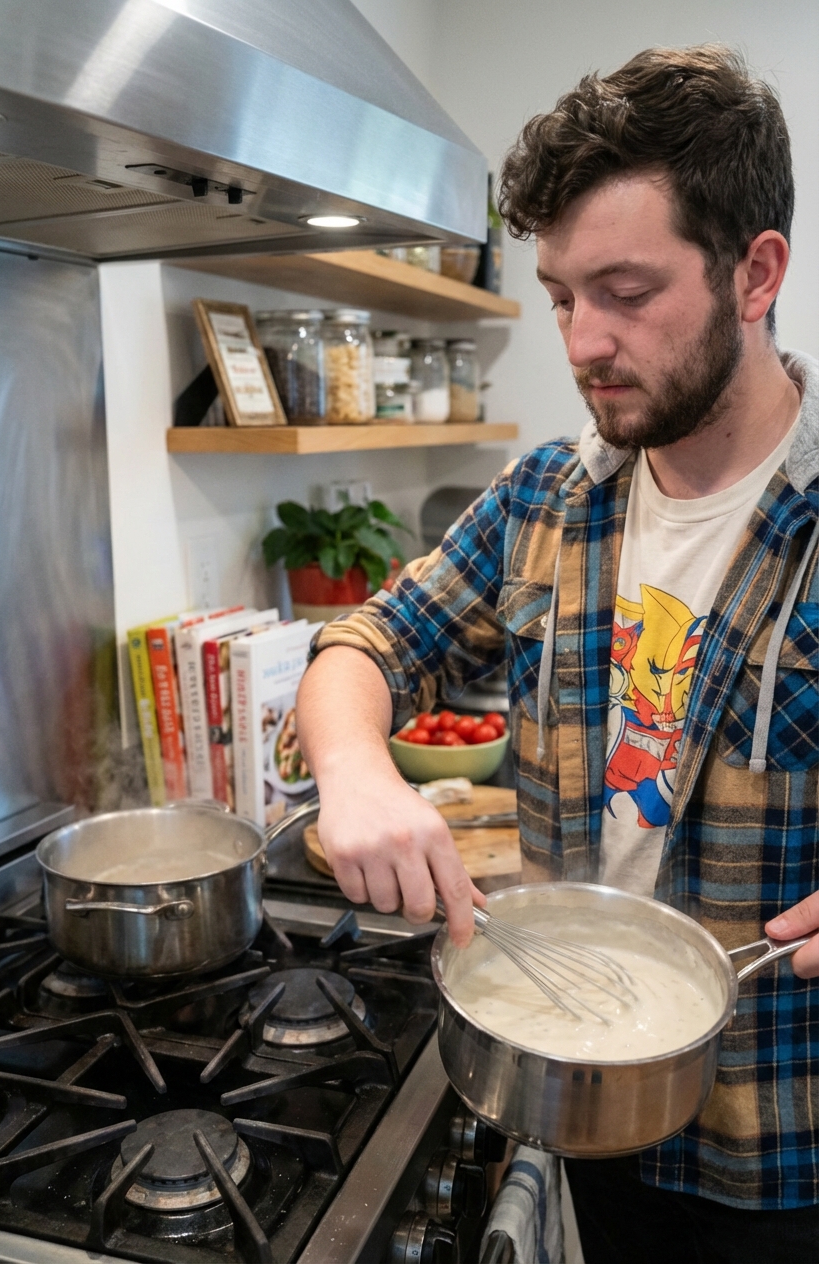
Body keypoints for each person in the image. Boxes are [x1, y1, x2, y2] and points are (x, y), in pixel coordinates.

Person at [295, 44, 818, 1263]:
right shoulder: (546, 499)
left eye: (624, 292)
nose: (582, 342)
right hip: (577, 1097)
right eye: (559, 296)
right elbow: (365, 641)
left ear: (753, 273)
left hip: (782, 1146)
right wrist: (355, 770)